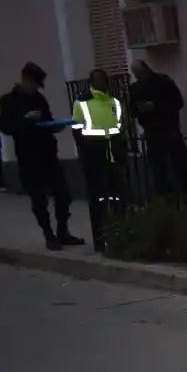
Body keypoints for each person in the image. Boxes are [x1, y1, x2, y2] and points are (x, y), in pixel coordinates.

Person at [0, 62, 84, 250]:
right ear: (26, 80)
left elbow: (48, 121)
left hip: (48, 153)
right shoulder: (9, 101)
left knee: (63, 194)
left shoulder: (39, 99)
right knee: (38, 198)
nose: (35, 89)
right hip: (28, 156)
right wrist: (24, 121)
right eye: (34, 84)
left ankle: (63, 231)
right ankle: (48, 234)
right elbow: (5, 127)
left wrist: (56, 126)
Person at [72, 69, 127, 249]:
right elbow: (78, 130)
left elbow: (120, 127)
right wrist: (86, 151)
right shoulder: (82, 103)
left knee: (117, 197)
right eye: (99, 80)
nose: (103, 83)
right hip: (93, 155)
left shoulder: (114, 102)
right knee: (97, 199)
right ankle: (100, 239)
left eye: (104, 80)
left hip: (113, 154)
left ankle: (120, 234)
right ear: (92, 82)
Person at [129, 59, 187, 196]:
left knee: (180, 166)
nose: (138, 76)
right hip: (151, 132)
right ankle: (165, 197)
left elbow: (178, 102)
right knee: (158, 169)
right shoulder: (135, 89)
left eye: (139, 72)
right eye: (135, 73)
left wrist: (156, 105)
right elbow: (131, 111)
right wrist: (140, 109)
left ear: (146, 69)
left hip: (169, 130)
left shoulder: (164, 82)